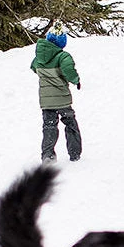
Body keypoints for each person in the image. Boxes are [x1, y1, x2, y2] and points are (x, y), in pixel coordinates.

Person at [31, 27, 82, 162]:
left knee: (49, 126)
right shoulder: (63, 56)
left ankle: (48, 155)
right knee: (70, 123)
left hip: (46, 101)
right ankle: (74, 153)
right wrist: (76, 80)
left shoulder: (39, 57)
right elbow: (69, 71)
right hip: (62, 98)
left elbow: (33, 67)